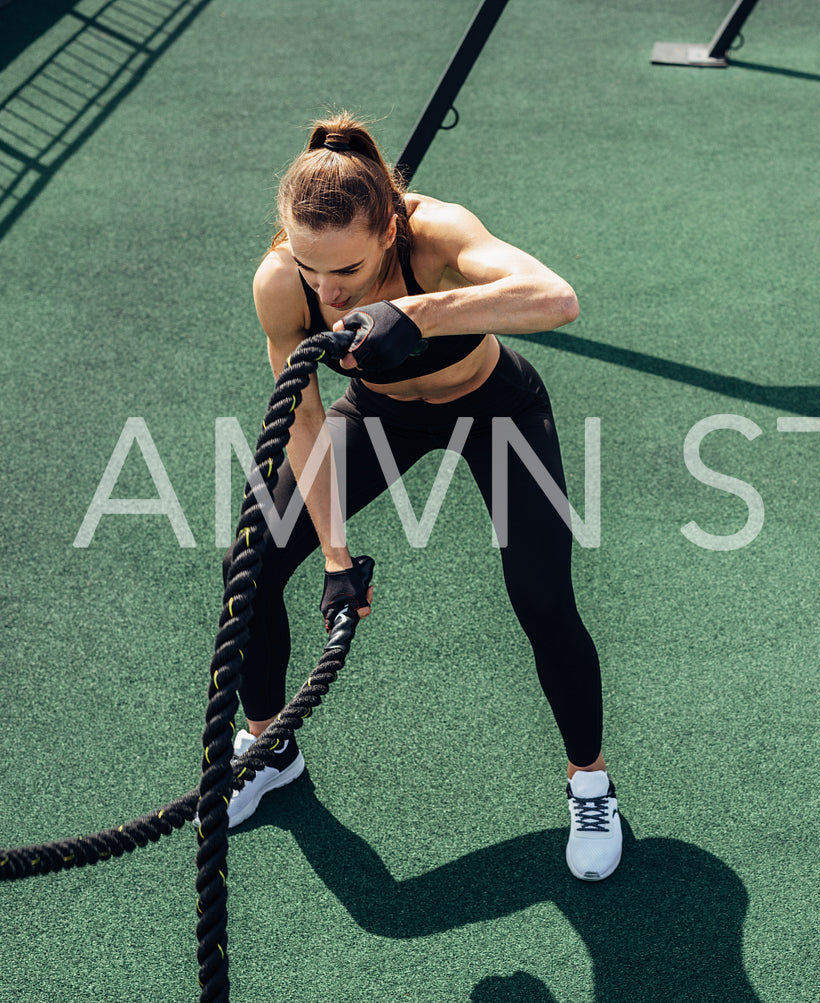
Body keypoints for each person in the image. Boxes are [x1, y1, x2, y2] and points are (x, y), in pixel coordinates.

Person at [221, 112, 619, 882]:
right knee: (254, 560)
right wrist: (336, 557)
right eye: (312, 269)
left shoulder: (436, 235)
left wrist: (420, 311)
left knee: (540, 597)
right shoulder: (281, 284)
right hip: (380, 415)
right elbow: (302, 418)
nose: (328, 293)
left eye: (350, 273)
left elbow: (556, 299)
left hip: (492, 405)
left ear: (390, 229)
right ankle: (268, 746)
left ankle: (590, 781)